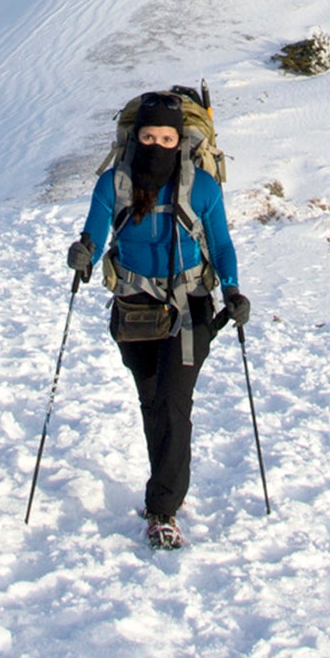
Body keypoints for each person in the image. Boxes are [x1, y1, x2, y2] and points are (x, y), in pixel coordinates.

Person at [68, 90, 249, 550]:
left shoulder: (202, 188)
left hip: (192, 308)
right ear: (134, 138)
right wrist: (84, 251)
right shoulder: (114, 183)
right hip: (134, 308)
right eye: (148, 136)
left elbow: (221, 243)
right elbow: (95, 226)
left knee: (172, 402)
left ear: (180, 140)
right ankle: (163, 485)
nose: (156, 145)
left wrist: (231, 287)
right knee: (152, 402)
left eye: (166, 137)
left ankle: (163, 508)